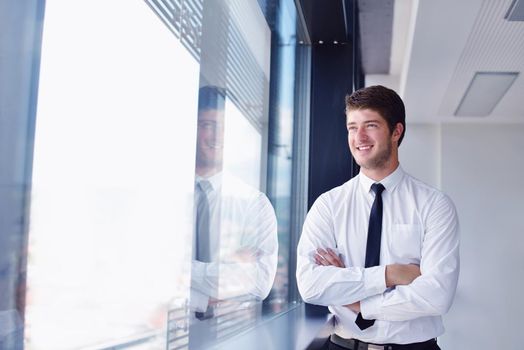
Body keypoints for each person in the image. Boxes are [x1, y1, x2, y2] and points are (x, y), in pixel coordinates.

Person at [296, 85, 459, 350]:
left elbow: (437, 295)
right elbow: (311, 285)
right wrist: (389, 274)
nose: (359, 136)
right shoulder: (328, 205)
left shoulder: (434, 205)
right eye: (352, 127)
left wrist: (356, 301)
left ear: (396, 131)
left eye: (370, 125)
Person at [184, 86, 278, 347]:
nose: (217, 136)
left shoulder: (254, 204)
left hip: (233, 339)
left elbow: (259, 284)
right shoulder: (165, 198)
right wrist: (230, 266)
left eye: (224, 126)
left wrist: (184, 273)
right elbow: (152, 276)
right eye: (207, 124)